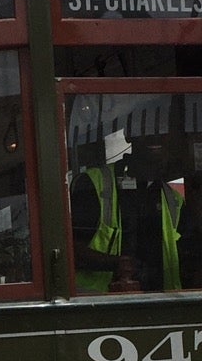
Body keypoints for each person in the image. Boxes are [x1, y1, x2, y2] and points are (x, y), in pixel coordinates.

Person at [71, 123, 187, 293]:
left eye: (161, 129)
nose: (154, 136)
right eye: (145, 128)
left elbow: (189, 261)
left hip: (162, 307)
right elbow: (67, 249)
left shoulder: (174, 200)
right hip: (99, 307)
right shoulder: (93, 185)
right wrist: (114, 263)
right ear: (128, 136)